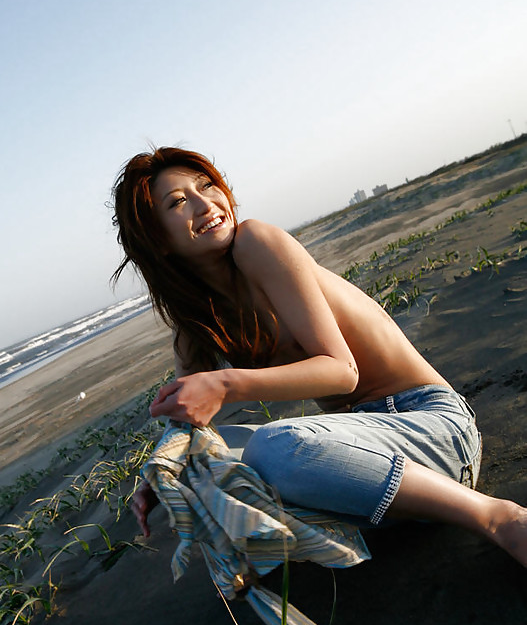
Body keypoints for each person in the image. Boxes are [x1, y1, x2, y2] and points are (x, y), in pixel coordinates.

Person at [111, 146, 527, 566]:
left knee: (272, 448)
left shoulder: (256, 243)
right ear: (157, 238)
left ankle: (497, 518)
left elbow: (343, 372)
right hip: (367, 463)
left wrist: (225, 383)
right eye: (178, 202)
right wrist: (164, 470)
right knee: (201, 463)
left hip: (431, 429)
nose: (205, 204)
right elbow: (184, 425)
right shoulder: (195, 318)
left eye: (206, 186)